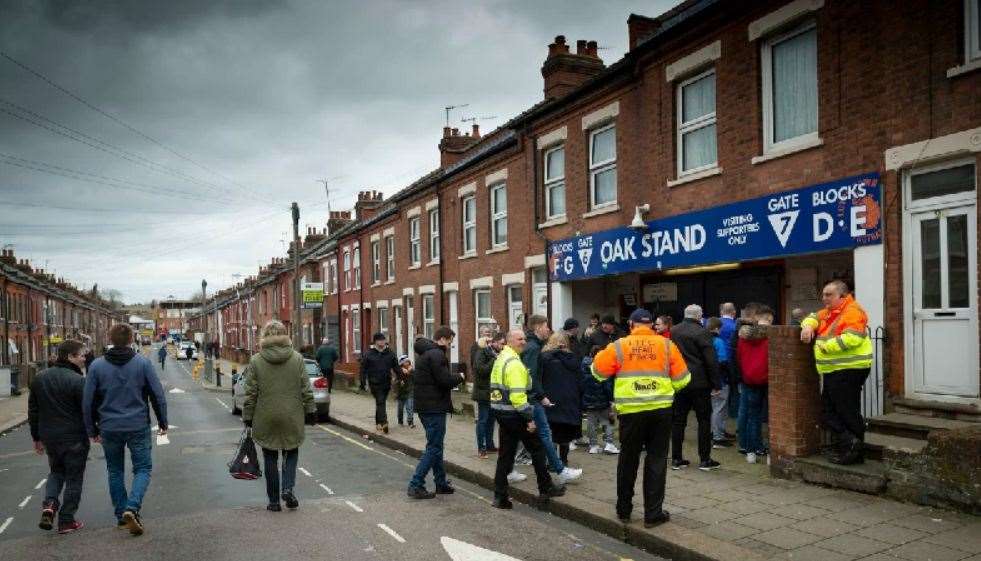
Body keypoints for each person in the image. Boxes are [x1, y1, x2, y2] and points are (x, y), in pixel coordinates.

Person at [591, 309, 689, 527]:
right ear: (652, 326)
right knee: (656, 460)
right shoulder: (667, 345)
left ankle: (624, 510)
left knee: (628, 459)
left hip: (631, 413)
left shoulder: (619, 346)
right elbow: (683, 379)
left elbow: (597, 372)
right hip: (661, 411)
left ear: (631, 325)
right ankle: (653, 515)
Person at [83, 324, 167, 536]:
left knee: (115, 470)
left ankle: (122, 514)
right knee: (143, 469)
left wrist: (91, 428)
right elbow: (157, 395)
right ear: (131, 340)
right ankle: (133, 506)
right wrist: (163, 421)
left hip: (109, 427)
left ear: (110, 338)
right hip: (137, 425)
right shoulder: (142, 363)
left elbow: (88, 401)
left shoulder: (96, 366)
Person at [243, 320, 315, 512]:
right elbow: (305, 388)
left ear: (265, 336)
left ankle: (274, 501)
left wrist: (248, 416)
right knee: (291, 452)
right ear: (285, 335)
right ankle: (288, 488)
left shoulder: (256, 360)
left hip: (265, 417)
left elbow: (250, 393)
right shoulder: (297, 358)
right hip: (292, 416)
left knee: (270, 458)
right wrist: (310, 410)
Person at [800, 280, 873, 465]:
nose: (824, 298)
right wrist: (808, 326)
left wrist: (824, 346)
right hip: (837, 370)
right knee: (834, 410)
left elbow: (853, 338)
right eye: (823, 294)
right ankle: (852, 447)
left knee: (843, 411)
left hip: (849, 369)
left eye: (828, 295)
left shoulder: (852, 311)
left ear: (842, 295)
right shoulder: (832, 312)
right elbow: (813, 316)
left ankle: (852, 448)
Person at [490, 329, 565, 510]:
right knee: (537, 449)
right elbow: (518, 397)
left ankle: (499, 496)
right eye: (519, 339)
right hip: (516, 414)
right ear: (509, 341)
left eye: (524, 338)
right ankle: (545, 488)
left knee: (505, 456)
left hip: (502, 413)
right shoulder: (514, 363)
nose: (523, 341)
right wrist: (529, 419)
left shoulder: (501, 359)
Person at [29, 339, 90, 534]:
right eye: (81, 355)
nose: (84, 358)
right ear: (70, 357)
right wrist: (94, 431)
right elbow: (86, 411)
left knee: (56, 472)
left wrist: (36, 437)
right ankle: (66, 520)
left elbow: (33, 411)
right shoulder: (78, 381)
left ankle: (49, 505)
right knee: (74, 478)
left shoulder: (40, 378)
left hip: (50, 438)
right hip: (74, 438)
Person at [523, 315, 582, 484]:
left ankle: (553, 470)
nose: (548, 329)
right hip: (546, 399)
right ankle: (558, 467)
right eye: (545, 326)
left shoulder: (542, 354)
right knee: (546, 436)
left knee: (545, 435)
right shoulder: (535, 349)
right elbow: (532, 377)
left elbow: (536, 377)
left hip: (544, 399)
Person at [408, 326, 464, 499]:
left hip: (425, 407)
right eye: (449, 341)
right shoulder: (437, 355)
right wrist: (460, 377)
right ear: (442, 339)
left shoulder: (425, 354)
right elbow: (444, 380)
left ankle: (440, 483)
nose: (450, 345)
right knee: (434, 447)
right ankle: (416, 484)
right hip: (434, 407)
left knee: (436, 446)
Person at [669, 305, 721, 471]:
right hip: (699, 383)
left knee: (678, 421)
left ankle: (676, 458)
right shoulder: (702, 332)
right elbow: (710, 360)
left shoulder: (674, 331)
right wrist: (716, 383)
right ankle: (705, 460)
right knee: (704, 420)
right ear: (699, 316)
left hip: (679, 380)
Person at [734, 306, 773, 463]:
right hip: (768, 380)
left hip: (749, 380)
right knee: (772, 418)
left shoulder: (743, 337)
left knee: (752, 416)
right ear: (769, 321)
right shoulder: (771, 336)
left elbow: (739, 357)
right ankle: (771, 454)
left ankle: (751, 453)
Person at [540, 332, 584, 467]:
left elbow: (539, 378)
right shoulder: (573, 359)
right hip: (569, 402)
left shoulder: (544, 358)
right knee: (565, 435)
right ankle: (563, 461)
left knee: (551, 432)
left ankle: (552, 462)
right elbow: (581, 382)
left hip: (550, 401)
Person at [580, 345, 617, 454]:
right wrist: (611, 399)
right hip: (603, 400)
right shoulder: (603, 365)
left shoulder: (583, 365)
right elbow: (607, 385)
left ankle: (593, 445)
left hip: (588, 400)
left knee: (591, 423)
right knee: (608, 421)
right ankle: (609, 443)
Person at [360, 333, 399, 433]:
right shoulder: (369, 354)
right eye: (380, 340)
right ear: (376, 342)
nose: (382, 342)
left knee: (380, 402)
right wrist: (363, 383)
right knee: (380, 401)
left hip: (386, 382)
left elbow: (396, 367)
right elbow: (363, 370)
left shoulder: (390, 353)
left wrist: (401, 378)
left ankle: (378, 423)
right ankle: (384, 422)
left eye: (384, 340)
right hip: (374, 382)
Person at [472, 331, 503, 458]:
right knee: (483, 420)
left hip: (495, 391)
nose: (503, 346)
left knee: (492, 420)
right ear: (494, 342)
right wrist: (494, 360)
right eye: (501, 344)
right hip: (483, 391)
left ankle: (490, 445)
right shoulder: (482, 352)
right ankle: (482, 448)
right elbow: (480, 370)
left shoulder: (498, 353)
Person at [705, 317, 732, 449]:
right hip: (719, 380)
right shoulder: (718, 341)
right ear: (716, 328)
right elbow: (722, 362)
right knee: (719, 408)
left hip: (706, 380)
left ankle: (717, 431)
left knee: (715, 408)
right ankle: (718, 437)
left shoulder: (703, 340)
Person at [395, 355, 415, 428]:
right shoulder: (398, 371)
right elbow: (395, 381)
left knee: (410, 407)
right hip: (401, 392)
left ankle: (410, 422)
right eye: (405, 362)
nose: (407, 363)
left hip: (410, 391)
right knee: (400, 408)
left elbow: (415, 379)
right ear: (401, 363)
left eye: (408, 362)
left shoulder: (412, 370)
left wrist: (410, 372)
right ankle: (400, 421)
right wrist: (400, 381)